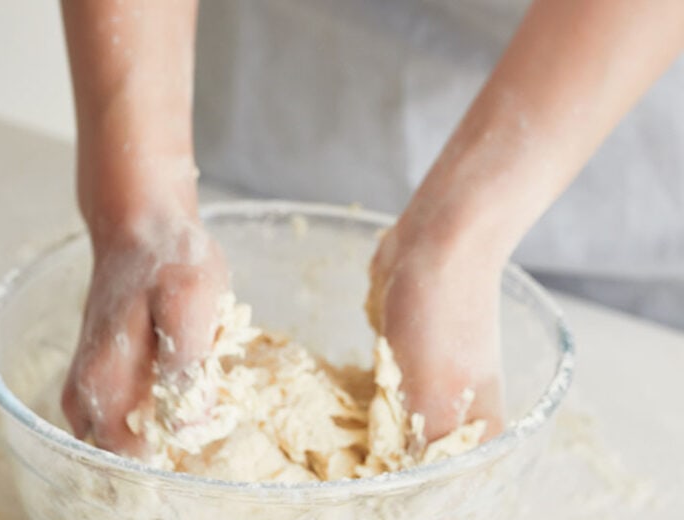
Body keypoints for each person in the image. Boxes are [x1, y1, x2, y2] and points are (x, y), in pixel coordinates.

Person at [59, 0, 684, 455]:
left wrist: (459, 243)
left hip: (621, 125)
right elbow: (150, 221)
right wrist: (142, 215)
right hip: (290, 83)